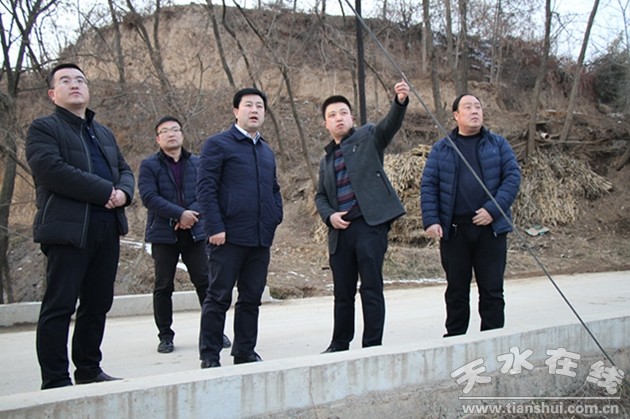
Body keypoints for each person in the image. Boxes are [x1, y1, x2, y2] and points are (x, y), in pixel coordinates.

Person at [25, 63, 135, 389]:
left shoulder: (103, 133)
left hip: (107, 227)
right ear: (52, 93)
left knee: (97, 303)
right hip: (68, 230)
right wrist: (105, 192)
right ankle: (55, 379)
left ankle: (88, 369)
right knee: (60, 305)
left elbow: (125, 170)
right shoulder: (44, 128)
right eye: (65, 81)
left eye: (80, 80)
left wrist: (124, 193)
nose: (75, 85)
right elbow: (50, 169)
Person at [315, 80, 410, 353]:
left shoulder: (368, 137)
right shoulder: (326, 160)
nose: (339, 118)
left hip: (369, 226)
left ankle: (372, 346)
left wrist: (399, 101)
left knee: (371, 288)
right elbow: (320, 196)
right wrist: (330, 216)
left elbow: (389, 125)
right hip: (340, 231)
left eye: (343, 113)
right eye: (332, 115)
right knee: (342, 293)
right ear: (326, 124)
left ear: (352, 118)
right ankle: (339, 343)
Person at [420, 93, 521, 337]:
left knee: (492, 290)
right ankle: (455, 339)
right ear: (456, 115)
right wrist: (432, 220)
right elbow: (429, 185)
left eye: (478, 107)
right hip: (455, 231)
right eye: (468, 107)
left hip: (490, 229)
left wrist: (492, 210)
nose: (474, 111)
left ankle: (492, 339)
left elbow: (512, 178)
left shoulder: (498, 144)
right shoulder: (442, 148)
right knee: (456, 291)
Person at [197, 87, 283, 368]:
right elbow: (205, 189)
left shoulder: (266, 150)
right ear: (236, 111)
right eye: (248, 105)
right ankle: (210, 354)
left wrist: (274, 217)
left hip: (259, 237)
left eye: (259, 106)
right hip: (227, 237)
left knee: (251, 298)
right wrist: (214, 227)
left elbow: (273, 188)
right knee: (218, 296)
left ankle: (244, 351)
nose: (254, 110)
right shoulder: (218, 144)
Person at [138, 116, 231, 354]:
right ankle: (165, 336)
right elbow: (149, 197)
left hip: (195, 233)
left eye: (175, 130)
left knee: (205, 282)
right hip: (163, 234)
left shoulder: (198, 163)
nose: (171, 134)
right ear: (158, 139)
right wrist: (179, 214)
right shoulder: (149, 165)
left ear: (182, 134)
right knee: (163, 286)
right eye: (165, 131)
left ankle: (214, 331)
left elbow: (209, 191)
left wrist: (191, 215)